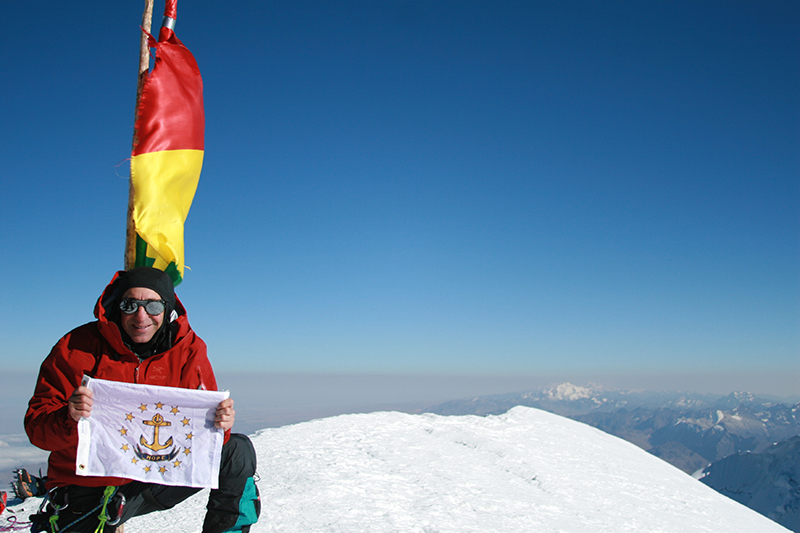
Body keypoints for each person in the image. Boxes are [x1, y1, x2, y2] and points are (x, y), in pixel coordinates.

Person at [25, 267, 259, 533]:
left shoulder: (188, 350)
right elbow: (37, 430)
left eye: (153, 306)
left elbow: (209, 439)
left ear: (167, 308)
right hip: (85, 489)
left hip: (151, 477)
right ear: (116, 306)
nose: (141, 316)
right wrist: (69, 418)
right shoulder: (76, 348)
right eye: (130, 305)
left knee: (236, 452)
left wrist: (221, 424)